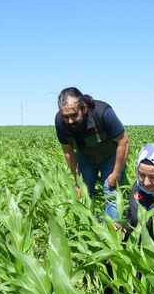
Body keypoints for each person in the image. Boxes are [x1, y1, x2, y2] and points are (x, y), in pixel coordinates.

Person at [54, 87, 130, 219]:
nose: (70, 121)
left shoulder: (102, 112)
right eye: (66, 116)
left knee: (111, 192)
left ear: (84, 108)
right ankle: (93, 231)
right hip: (85, 158)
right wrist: (78, 180)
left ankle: (112, 233)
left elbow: (124, 141)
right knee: (84, 194)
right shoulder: (60, 121)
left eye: (73, 115)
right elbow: (67, 151)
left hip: (110, 157)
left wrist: (116, 173)